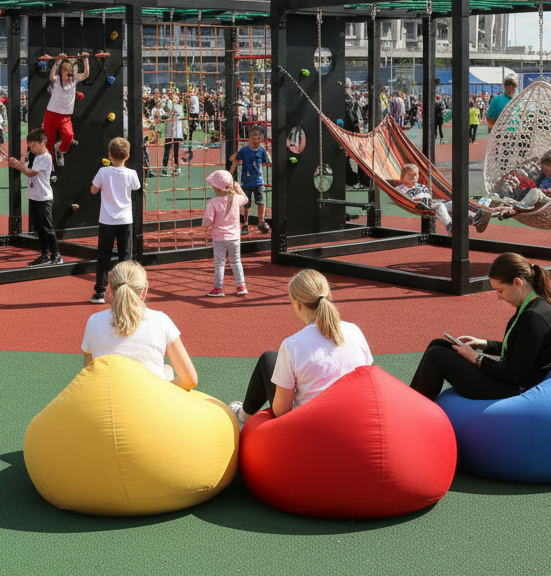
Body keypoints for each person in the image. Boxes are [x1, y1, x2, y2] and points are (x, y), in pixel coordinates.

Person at [409, 252, 551, 400]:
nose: (499, 297)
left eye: (500, 290)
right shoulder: (532, 305)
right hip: (511, 381)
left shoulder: (534, 317)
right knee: (438, 344)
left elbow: (514, 374)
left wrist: (475, 357)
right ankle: (410, 403)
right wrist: (482, 344)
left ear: (517, 283)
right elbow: (519, 350)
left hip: (514, 389)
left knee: (437, 356)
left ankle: (416, 413)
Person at [228, 270, 373, 426]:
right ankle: (243, 414)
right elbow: (366, 378)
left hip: (308, 428)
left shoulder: (293, 345)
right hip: (353, 421)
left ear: (297, 304)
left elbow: (282, 411)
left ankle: (243, 416)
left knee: (268, 359)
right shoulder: (355, 331)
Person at [81, 260, 198, 389]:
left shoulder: (94, 321)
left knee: (166, 370)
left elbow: (90, 371)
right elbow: (190, 380)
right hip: (149, 398)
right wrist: (165, 387)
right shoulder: (161, 321)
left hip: (108, 395)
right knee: (167, 370)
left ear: (111, 289)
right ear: (143, 292)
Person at [90, 137, 141, 303]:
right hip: (125, 220)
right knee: (125, 256)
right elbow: (136, 187)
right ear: (127, 156)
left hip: (107, 220)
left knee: (103, 256)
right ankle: (126, 291)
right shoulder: (131, 173)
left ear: (109, 155)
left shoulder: (103, 172)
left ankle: (100, 292)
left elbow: (93, 190)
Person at [9, 128, 61, 267]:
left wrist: (18, 166)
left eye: (34, 145)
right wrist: (20, 163)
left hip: (43, 198)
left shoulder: (46, 157)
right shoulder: (36, 156)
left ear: (42, 142)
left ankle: (56, 255)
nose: (31, 148)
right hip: (35, 196)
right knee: (39, 228)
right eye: (30, 145)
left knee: (47, 228)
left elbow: (31, 173)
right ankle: (45, 254)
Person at [393, 162, 491, 235]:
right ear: (402, 177)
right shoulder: (400, 188)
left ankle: (475, 219)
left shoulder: (421, 186)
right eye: (410, 176)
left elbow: (429, 196)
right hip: (418, 205)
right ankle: (449, 225)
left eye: (415, 176)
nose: (413, 178)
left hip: (431, 204)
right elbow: (404, 199)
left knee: (453, 203)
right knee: (439, 206)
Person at [202, 169, 248, 298]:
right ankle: (241, 285)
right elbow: (245, 199)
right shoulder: (236, 198)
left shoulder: (213, 202)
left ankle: (218, 287)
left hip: (219, 238)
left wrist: (205, 228)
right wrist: (238, 188)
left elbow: (208, 219)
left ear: (217, 188)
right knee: (236, 261)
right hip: (234, 238)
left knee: (220, 263)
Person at [44, 53, 90, 168]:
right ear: (61, 74)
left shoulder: (74, 80)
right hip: (51, 114)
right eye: (67, 75)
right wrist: (57, 62)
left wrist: (85, 59)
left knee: (69, 135)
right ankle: (49, 163)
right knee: (49, 142)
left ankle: (61, 151)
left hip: (65, 116)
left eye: (71, 75)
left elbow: (86, 75)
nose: (70, 78)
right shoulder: (57, 79)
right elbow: (51, 76)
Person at [230, 125, 271, 235]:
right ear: (250, 137)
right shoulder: (244, 150)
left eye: (258, 137)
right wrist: (229, 175)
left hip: (258, 181)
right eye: (253, 137)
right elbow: (234, 161)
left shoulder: (262, 150)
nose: (256, 140)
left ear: (261, 138)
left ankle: (261, 221)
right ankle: (245, 223)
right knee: (246, 203)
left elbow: (268, 161)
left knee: (261, 202)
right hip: (246, 182)